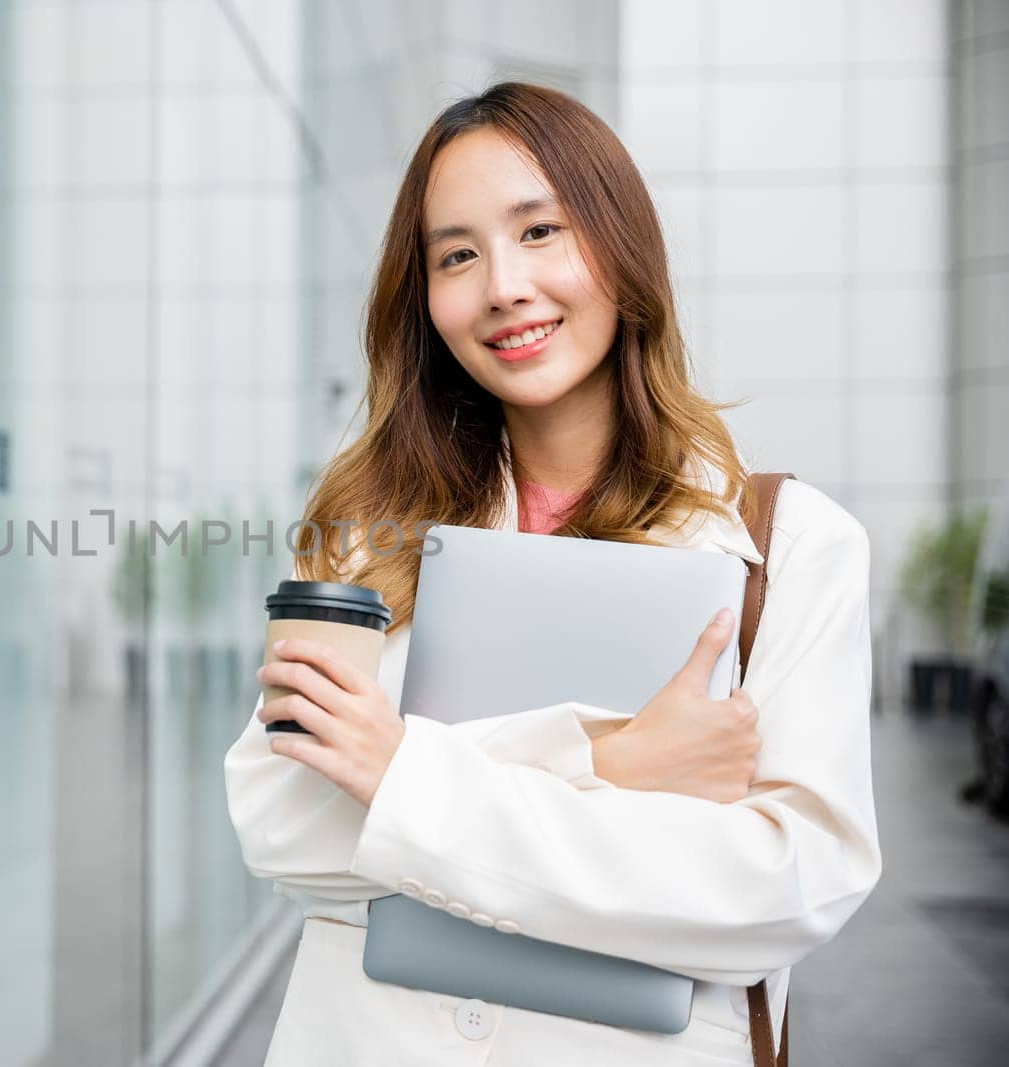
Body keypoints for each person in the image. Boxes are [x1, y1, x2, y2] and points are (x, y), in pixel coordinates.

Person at [222, 82, 881, 1066]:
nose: (501, 286)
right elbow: (276, 824)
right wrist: (604, 768)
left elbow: (782, 888)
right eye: (456, 255)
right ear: (425, 297)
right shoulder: (366, 531)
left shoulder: (792, 548)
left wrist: (397, 776)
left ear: (622, 249)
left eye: (540, 231)